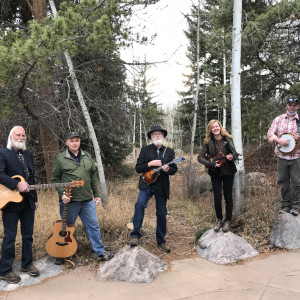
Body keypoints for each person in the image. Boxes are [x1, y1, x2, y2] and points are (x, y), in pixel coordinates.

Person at [51, 131, 113, 264]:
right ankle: (61, 253)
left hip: (87, 200)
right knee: (66, 228)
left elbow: (92, 176)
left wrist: (96, 194)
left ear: (80, 142)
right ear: (67, 142)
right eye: (71, 140)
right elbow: (55, 179)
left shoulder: (87, 156)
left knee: (94, 226)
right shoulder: (61, 158)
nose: (74, 143)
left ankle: (100, 252)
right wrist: (62, 194)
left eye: (77, 140)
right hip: (70, 202)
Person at [0, 126, 39, 284]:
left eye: (23, 135)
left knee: (28, 235)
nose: (21, 137)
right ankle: (5, 270)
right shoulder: (3, 153)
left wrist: (35, 198)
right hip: (10, 203)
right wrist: (16, 184)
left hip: (28, 202)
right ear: (11, 137)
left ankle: (27, 264)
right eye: (18, 135)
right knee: (10, 237)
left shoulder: (28, 154)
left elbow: (32, 179)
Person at [130, 125, 177, 252]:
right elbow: (138, 168)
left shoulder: (169, 151)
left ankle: (161, 241)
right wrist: (150, 164)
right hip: (147, 183)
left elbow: (174, 169)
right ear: (151, 137)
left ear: (163, 136)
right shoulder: (145, 150)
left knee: (161, 213)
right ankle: (135, 235)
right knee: (139, 205)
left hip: (162, 186)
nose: (157, 135)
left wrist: (168, 169)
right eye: (155, 134)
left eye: (159, 134)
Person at [197, 120, 238, 233]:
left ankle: (228, 220)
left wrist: (232, 157)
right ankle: (219, 219)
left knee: (228, 196)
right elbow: (200, 157)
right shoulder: (207, 141)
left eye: (217, 126)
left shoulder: (228, 138)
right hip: (215, 172)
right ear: (210, 129)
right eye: (213, 127)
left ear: (220, 127)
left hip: (228, 171)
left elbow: (235, 154)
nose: (215, 128)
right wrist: (210, 164)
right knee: (217, 197)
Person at [267, 96, 300, 216]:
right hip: (281, 156)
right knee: (283, 181)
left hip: (297, 157)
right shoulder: (279, 119)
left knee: (296, 182)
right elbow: (270, 133)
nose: (292, 107)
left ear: (298, 106)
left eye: (294, 105)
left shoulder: (299, 120)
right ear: (286, 105)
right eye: (290, 105)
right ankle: (285, 205)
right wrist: (279, 140)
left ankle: (295, 206)